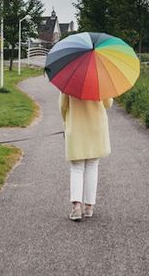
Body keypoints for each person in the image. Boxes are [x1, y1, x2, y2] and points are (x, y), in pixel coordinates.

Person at [59, 92, 113, 221]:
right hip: (96, 127)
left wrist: (65, 123)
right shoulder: (100, 78)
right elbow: (108, 104)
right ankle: (89, 207)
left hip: (76, 127)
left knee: (77, 167)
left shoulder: (69, 77)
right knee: (92, 166)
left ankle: (76, 207)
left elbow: (63, 106)